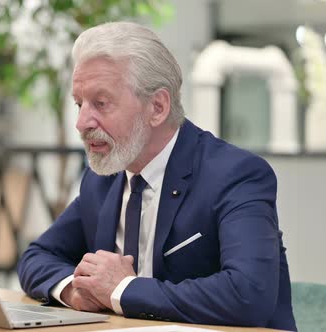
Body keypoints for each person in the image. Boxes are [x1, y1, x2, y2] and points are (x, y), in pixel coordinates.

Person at [17, 22, 297, 331]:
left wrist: (122, 289)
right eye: (79, 104)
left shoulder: (236, 175)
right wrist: (74, 289)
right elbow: (37, 256)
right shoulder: (104, 176)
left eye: (101, 103)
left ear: (158, 107)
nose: (82, 122)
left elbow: (248, 294)